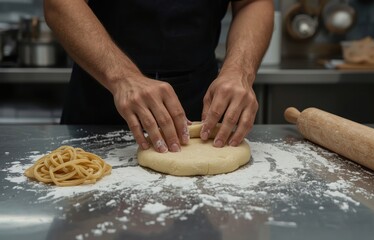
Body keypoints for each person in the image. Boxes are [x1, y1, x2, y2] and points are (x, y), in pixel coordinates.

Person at [44, 0, 274, 153]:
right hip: (100, 98)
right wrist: (122, 78)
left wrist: (239, 71)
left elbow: (253, 3)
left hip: (202, 107)